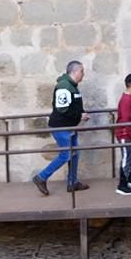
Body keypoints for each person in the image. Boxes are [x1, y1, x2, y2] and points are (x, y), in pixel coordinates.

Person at [32, 60, 88, 196]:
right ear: (74, 72)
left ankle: (72, 182)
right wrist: (80, 116)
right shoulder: (64, 86)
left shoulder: (72, 86)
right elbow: (62, 109)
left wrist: (80, 114)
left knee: (74, 154)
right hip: (61, 126)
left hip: (69, 125)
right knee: (66, 155)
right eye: (82, 71)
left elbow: (73, 105)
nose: (83, 74)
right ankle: (41, 177)